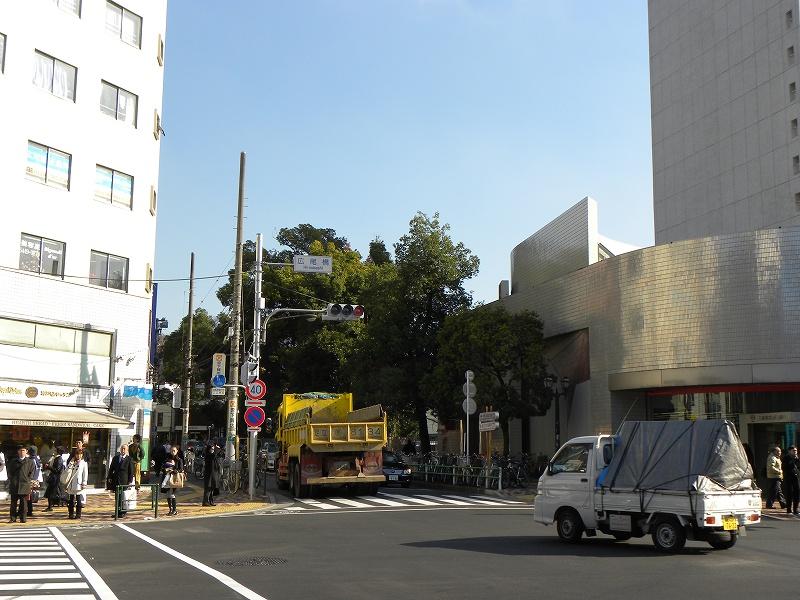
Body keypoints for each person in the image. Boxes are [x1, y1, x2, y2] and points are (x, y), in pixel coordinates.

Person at [7, 445, 34, 523]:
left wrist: (28, 480)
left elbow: (32, 472)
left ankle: (23, 518)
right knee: (13, 503)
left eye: (23, 450)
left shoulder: (30, 462)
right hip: (15, 484)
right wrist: (12, 479)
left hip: (24, 484)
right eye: (20, 450)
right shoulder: (13, 461)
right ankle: (13, 518)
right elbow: (9, 471)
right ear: (18, 452)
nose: (22, 452)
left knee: (23, 503)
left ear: (26, 452)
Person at [107, 444, 135, 517]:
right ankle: (117, 512)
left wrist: (130, 481)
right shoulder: (116, 458)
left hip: (124, 481)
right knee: (117, 497)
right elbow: (111, 468)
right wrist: (109, 477)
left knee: (123, 497)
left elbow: (131, 471)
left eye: (124, 449)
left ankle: (123, 512)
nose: (123, 450)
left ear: (127, 450)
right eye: (122, 448)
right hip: (116, 480)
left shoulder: (129, 459)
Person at [160, 445, 184, 516]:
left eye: (174, 451)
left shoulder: (179, 460)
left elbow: (181, 469)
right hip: (167, 478)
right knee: (168, 494)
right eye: (171, 451)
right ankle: (170, 509)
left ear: (177, 451)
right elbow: (163, 467)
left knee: (172, 494)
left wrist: (173, 470)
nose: (172, 452)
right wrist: (165, 468)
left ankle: (174, 510)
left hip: (174, 479)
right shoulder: (167, 458)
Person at [65, 449, 88, 520]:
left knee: (78, 500)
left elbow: (85, 474)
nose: (79, 455)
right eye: (77, 454)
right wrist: (71, 462)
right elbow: (67, 471)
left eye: (80, 454)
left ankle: (78, 515)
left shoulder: (84, 463)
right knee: (71, 500)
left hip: (78, 483)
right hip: (71, 483)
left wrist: (84, 483)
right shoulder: (72, 462)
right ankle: (71, 514)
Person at [42, 446, 66, 512]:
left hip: (55, 478)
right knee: (51, 493)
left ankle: (51, 506)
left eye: (55, 450)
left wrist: (49, 467)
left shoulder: (59, 459)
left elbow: (57, 470)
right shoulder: (55, 458)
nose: (54, 452)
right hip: (53, 477)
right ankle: (50, 506)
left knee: (52, 493)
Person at [26, 446, 42, 518]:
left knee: (28, 496)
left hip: (31, 480)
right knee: (29, 495)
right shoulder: (37, 459)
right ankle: (29, 510)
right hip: (35, 479)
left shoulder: (31, 460)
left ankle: (29, 510)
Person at [783, 446, 800, 515]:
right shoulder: (786, 458)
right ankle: (789, 509)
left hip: (796, 478)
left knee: (797, 493)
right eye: (794, 450)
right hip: (789, 477)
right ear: (789, 451)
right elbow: (784, 467)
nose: (795, 452)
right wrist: (792, 461)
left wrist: (797, 459)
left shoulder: (797, 458)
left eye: (796, 450)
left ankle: (796, 509)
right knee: (789, 493)